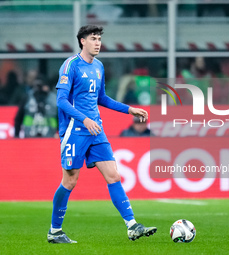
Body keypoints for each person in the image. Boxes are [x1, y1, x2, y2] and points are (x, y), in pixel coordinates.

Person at [47, 25, 157, 244]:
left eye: (99, 39)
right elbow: (61, 101)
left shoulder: (98, 66)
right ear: (82, 41)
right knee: (70, 181)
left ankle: (132, 225)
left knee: (113, 176)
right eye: (93, 38)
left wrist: (129, 109)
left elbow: (102, 98)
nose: (98, 43)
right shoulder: (70, 65)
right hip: (75, 131)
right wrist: (83, 119)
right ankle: (55, 231)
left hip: (96, 130)